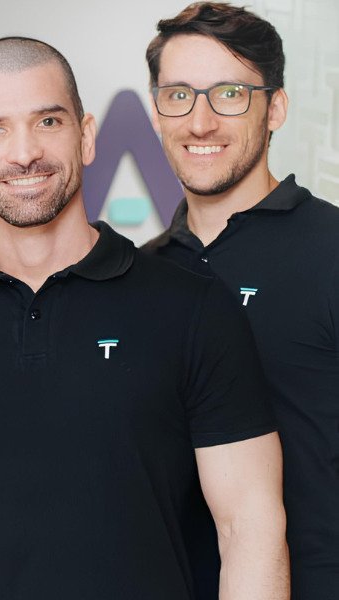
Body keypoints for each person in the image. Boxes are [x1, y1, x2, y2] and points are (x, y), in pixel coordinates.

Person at [0, 36, 289, 600]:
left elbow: (250, 527)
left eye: (48, 121)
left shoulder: (194, 309)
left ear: (86, 136)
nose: (24, 152)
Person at [143, 3, 339, 598]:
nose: (200, 122)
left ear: (275, 108)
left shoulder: (331, 249)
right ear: (156, 111)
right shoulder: (139, 275)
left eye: (229, 94)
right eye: (179, 95)